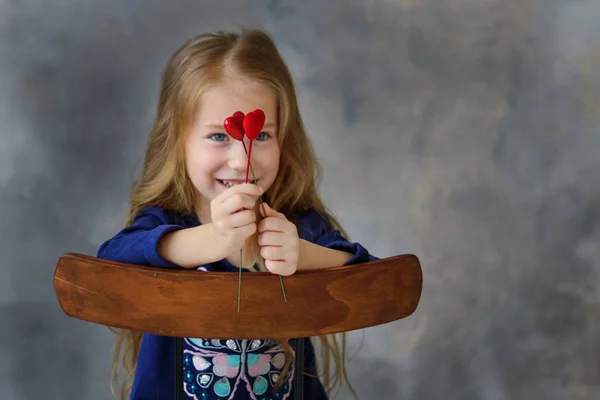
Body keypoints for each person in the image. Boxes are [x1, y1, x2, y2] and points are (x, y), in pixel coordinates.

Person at [97, 28, 378, 400]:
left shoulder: (298, 222)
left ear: (283, 139)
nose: (241, 160)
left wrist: (305, 255)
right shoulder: (168, 218)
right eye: (218, 137)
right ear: (178, 141)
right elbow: (108, 266)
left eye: (261, 136)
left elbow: (372, 284)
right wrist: (208, 240)